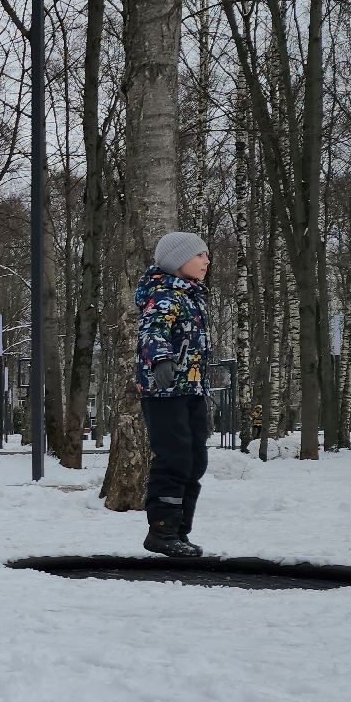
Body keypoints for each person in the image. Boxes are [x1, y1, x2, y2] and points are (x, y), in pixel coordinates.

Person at [137, 231, 213, 557]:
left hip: (192, 388)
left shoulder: (193, 297)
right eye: (199, 256)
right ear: (178, 260)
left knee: (196, 459)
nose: (206, 261)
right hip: (164, 390)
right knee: (175, 457)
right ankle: (162, 531)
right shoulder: (165, 296)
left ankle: (180, 531)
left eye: (207, 255)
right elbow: (151, 330)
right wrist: (160, 359)